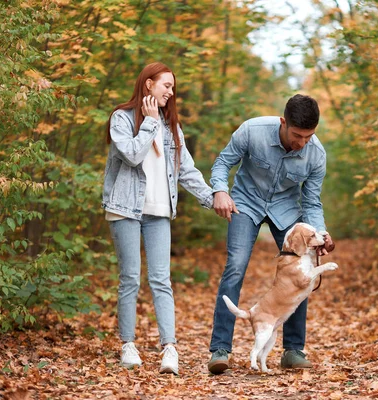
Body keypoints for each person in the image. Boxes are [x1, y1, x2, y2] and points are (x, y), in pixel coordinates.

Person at [206, 94, 335, 374]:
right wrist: (220, 190)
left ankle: (293, 350)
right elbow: (222, 164)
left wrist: (321, 234)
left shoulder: (316, 154)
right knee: (236, 266)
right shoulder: (252, 131)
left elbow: (312, 202)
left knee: (302, 272)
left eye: (309, 136)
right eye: (297, 135)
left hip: (286, 211)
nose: (302, 142)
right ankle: (220, 349)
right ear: (283, 122)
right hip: (245, 203)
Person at [102, 62, 214, 374]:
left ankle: (170, 349)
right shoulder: (121, 119)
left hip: (159, 212)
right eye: (166, 85)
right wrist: (150, 123)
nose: (171, 91)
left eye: (173, 87)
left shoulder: (171, 127)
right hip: (125, 208)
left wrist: (212, 198)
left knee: (161, 280)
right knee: (130, 278)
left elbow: (186, 171)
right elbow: (133, 155)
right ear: (148, 84)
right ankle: (128, 345)